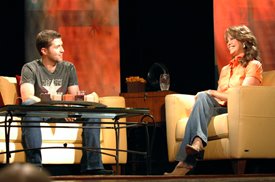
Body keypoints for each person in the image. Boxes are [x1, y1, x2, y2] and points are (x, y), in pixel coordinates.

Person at [164, 25, 263, 175]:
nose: (228, 43)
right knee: (203, 97)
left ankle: (185, 162)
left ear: (244, 42)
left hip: (239, 110)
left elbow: (243, 97)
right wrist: (201, 103)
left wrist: (211, 93)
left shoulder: (253, 65)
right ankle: (196, 145)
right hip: (221, 108)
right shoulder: (224, 70)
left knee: (206, 94)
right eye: (227, 40)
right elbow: (218, 98)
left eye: (232, 39)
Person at [20, 29, 113, 175]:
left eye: (61, 46)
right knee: (29, 111)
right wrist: (56, 104)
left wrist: (70, 107)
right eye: (57, 47)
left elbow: (75, 96)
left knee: (92, 114)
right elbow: (28, 97)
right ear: (44, 50)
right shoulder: (30, 68)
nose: (62, 50)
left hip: (63, 111)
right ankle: (35, 168)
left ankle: (93, 167)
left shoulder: (68, 68)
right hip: (41, 111)